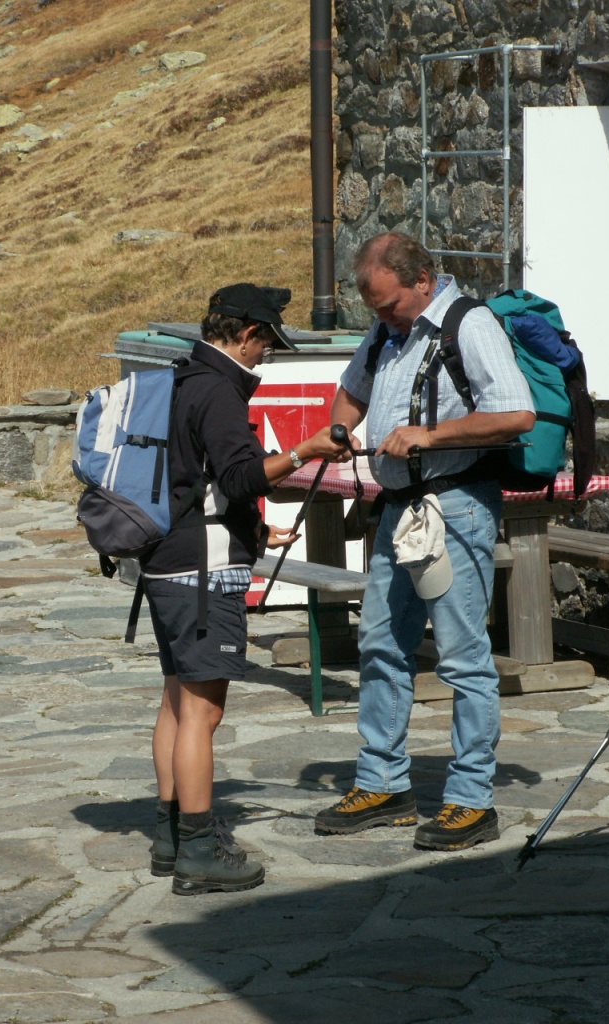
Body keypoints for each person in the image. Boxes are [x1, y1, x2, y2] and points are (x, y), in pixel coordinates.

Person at [314, 233, 535, 851]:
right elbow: (353, 390)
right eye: (374, 309)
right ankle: (382, 784)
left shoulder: (470, 324)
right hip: (398, 509)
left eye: (388, 305)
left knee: (462, 656)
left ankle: (472, 798)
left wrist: (428, 435)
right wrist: (341, 427)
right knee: (380, 644)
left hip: (456, 504)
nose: (382, 317)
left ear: (422, 280)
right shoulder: (388, 328)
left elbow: (516, 414)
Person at [142, 282, 347, 894]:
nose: (266, 356)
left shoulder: (181, 379)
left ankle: (169, 836)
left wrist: (254, 531)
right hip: (203, 574)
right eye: (267, 345)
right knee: (202, 713)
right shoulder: (218, 389)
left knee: (176, 702)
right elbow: (237, 477)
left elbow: (193, 481)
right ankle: (198, 851)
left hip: (168, 561)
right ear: (248, 333)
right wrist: (306, 450)